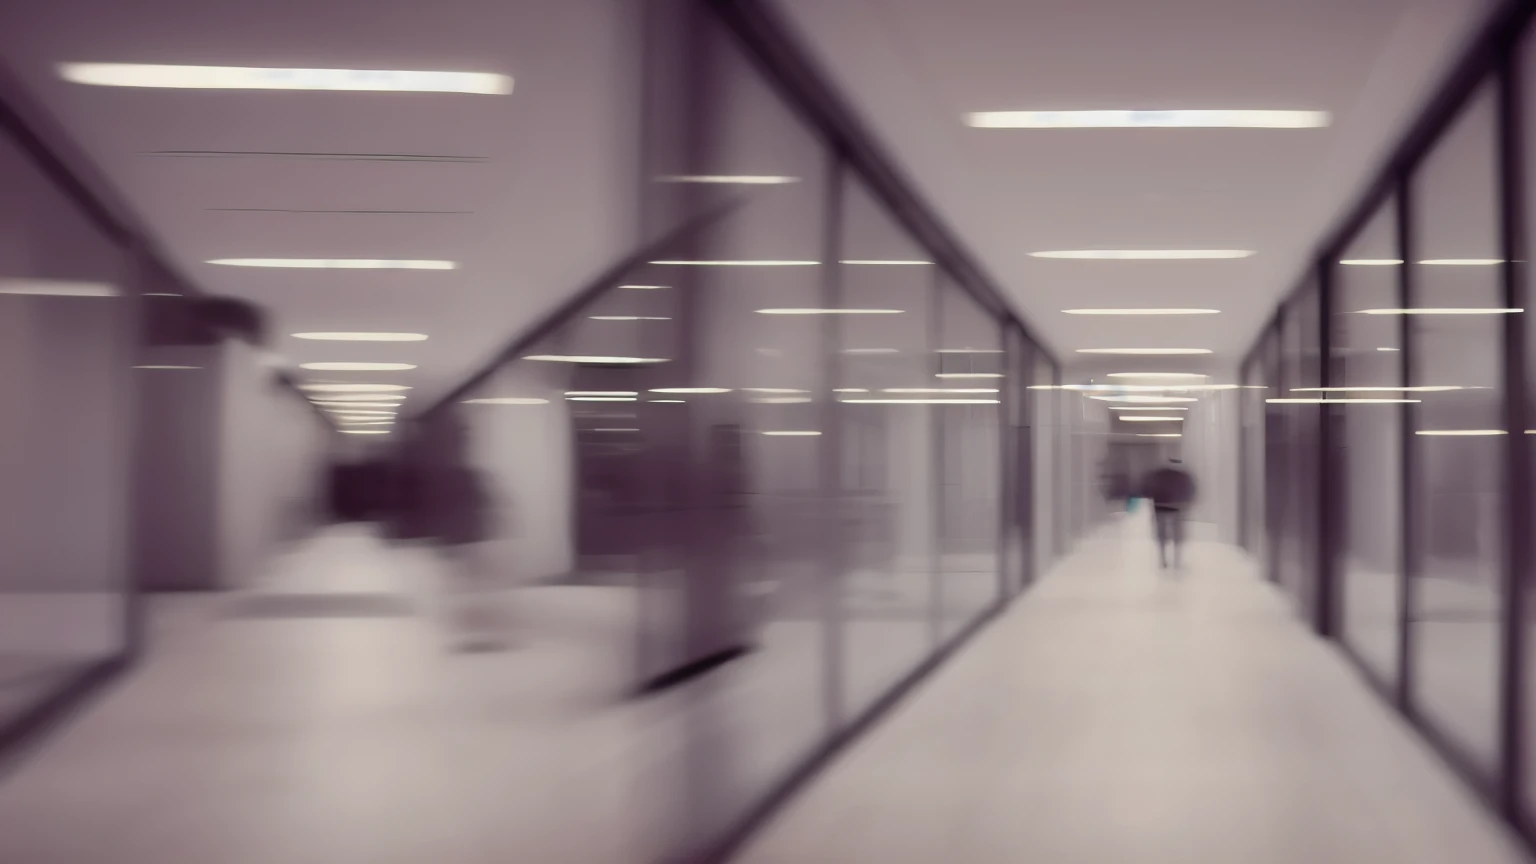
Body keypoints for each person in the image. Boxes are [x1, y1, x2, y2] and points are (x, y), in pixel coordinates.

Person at [1142, 457, 1196, 569]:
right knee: (1177, 534)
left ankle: (1163, 559)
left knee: (1161, 534)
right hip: (1176, 507)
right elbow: (1191, 490)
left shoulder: (1158, 474)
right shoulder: (1183, 475)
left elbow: (1148, 488)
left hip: (1160, 506)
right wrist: (1187, 503)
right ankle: (1176, 559)